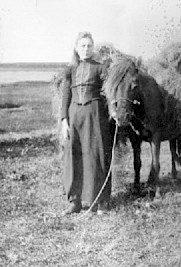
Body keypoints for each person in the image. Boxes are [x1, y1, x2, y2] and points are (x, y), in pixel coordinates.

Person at [61, 31, 113, 215]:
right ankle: (74, 202)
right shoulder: (70, 70)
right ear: (76, 48)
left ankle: (101, 201)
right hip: (74, 115)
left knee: (96, 155)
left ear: (93, 48)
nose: (86, 49)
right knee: (73, 157)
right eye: (82, 45)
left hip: (94, 114)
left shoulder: (100, 68)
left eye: (89, 45)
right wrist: (64, 121)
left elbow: (110, 91)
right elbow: (65, 95)